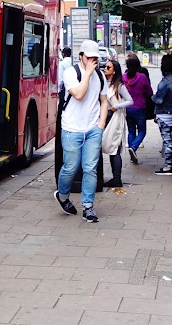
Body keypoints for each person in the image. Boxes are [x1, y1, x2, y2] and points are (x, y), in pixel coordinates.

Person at [56, 39, 108, 223]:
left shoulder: (100, 76)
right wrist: (86, 74)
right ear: (81, 56)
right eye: (89, 57)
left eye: (96, 58)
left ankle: (88, 207)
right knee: (70, 167)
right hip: (71, 129)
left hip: (93, 129)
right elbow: (78, 95)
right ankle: (62, 195)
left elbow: (104, 101)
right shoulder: (71, 72)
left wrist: (101, 125)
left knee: (90, 169)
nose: (93, 61)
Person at [151, 54, 172, 176]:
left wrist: (152, 97)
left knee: (167, 141)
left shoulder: (164, 83)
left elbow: (158, 100)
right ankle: (171, 164)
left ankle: (168, 166)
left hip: (164, 114)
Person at [102, 59, 132, 188]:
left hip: (115, 117)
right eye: (104, 67)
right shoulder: (103, 82)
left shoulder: (119, 85)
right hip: (105, 117)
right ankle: (114, 178)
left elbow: (130, 101)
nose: (105, 69)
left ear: (114, 71)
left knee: (114, 149)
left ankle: (117, 178)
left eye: (108, 67)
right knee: (109, 147)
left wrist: (117, 106)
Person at [122, 56, 153, 165]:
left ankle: (132, 151)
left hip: (128, 108)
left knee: (131, 130)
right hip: (140, 107)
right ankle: (134, 148)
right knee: (142, 131)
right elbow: (149, 92)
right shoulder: (142, 77)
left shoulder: (123, 77)